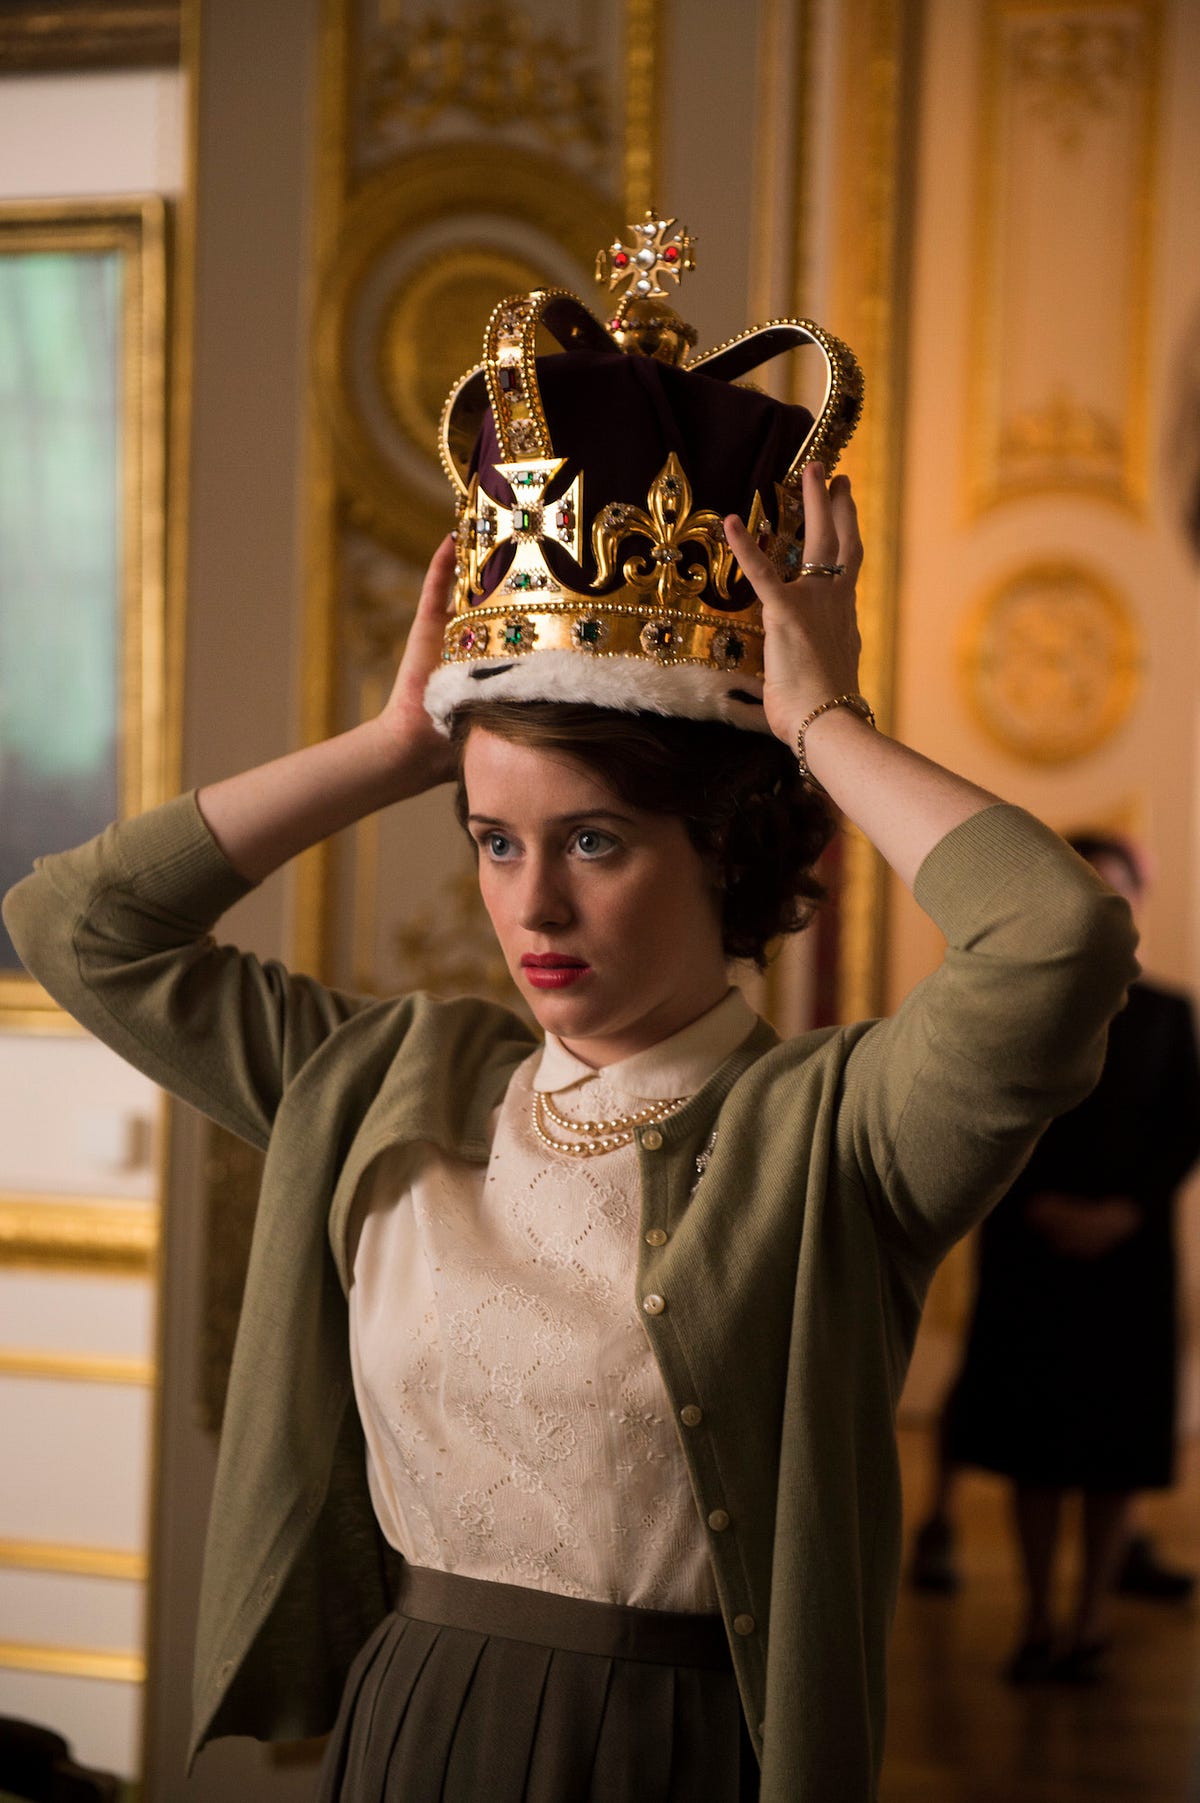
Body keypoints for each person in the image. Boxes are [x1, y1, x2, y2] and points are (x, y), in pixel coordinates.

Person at [2, 246, 1138, 1803]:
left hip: (669, 1757)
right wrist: (402, 739)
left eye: (594, 840)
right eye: (494, 839)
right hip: (406, 1725)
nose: (531, 903)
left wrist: (820, 720)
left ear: (724, 848)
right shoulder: (385, 1081)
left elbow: (1058, 936)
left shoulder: (840, 1137)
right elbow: (75, 925)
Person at [910, 834, 1200, 1683]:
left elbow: (1184, 1127)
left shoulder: (1167, 1012)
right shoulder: (1013, 1004)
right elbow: (985, 1114)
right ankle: (1039, 1618)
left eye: (1117, 895)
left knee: (1117, 1438)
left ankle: (1092, 1617)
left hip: (1130, 1253)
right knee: (1034, 1438)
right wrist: (1040, 1203)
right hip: (1029, 1244)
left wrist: (1121, 1211)